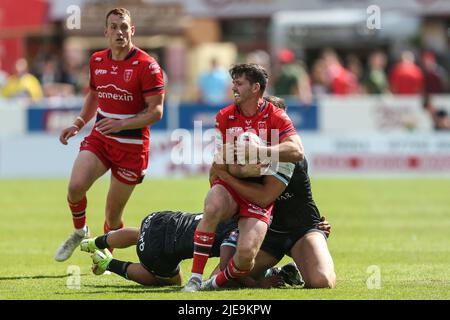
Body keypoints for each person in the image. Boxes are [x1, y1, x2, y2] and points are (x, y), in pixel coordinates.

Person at [54, 7, 165, 262]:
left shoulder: (147, 66)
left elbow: (156, 112)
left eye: (124, 26)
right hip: (101, 138)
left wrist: (121, 125)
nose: (119, 32)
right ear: (106, 32)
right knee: (75, 188)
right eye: (114, 27)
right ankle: (80, 231)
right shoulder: (97, 60)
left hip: (132, 147)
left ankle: (106, 255)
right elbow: (94, 94)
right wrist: (79, 122)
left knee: (113, 217)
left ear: (132, 30)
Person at [183, 64, 304, 292]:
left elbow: (297, 151)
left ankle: (212, 284)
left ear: (256, 88)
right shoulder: (225, 116)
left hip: (258, 193)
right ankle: (194, 280)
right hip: (231, 188)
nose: (233, 88)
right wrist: (232, 172)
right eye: (233, 83)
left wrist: (261, 152)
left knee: (246, 256)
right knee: (213, 205)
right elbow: (221, 166)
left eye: (239, 83)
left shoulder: (275, 116)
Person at [203, 95, 335, 289]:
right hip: (267, 236)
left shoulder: (290, 156)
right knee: (224, 280)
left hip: (302, 230)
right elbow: (215, 177)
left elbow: (265, 197)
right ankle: (277, 272)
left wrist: (230, 175)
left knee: (321, 282)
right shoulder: (247, 149)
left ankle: (297, 262)